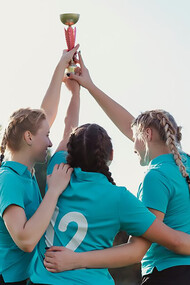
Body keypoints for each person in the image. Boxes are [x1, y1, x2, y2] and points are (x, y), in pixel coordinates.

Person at [29, 60, 190, 285]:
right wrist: (89, 86)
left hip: (166, 273)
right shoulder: (123, 196)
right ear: (111, 155)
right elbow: (132, 128)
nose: (133, 144)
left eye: (136, 137)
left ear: (149, 135)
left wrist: (76, 92)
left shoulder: (57, 170)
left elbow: (68, 128)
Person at [0, 45, 79, 284]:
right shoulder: (9, 178)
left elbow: (47, 114)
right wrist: (53, 191)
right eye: (46, 135)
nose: (50, 141)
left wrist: (66, 78)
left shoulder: (23, 172)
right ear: (28, 137)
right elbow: (25, 240)